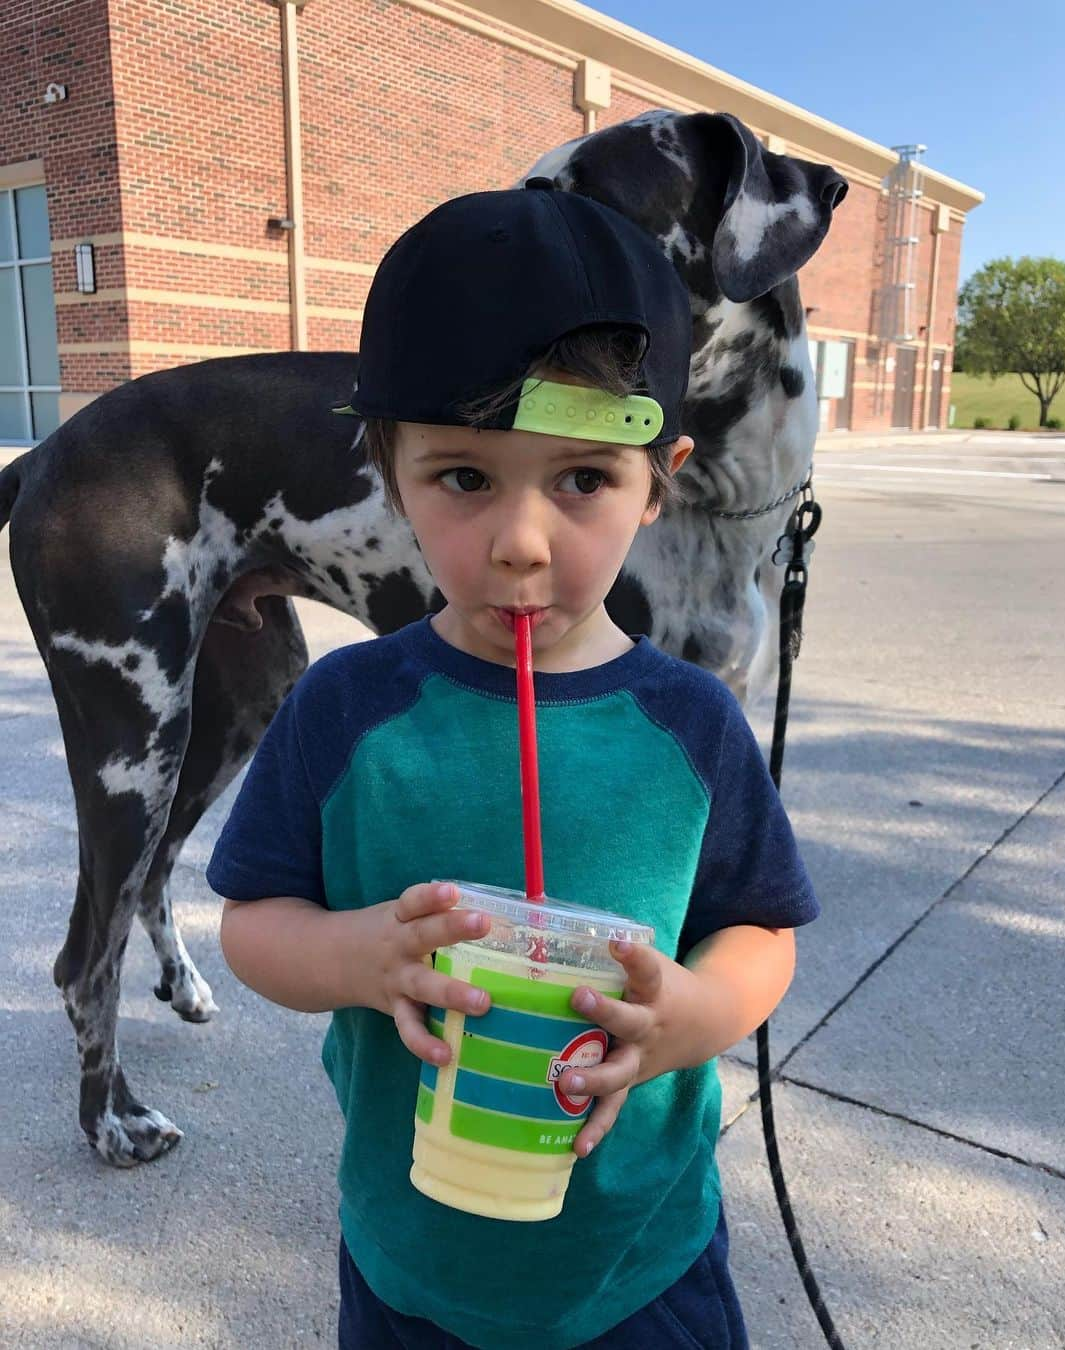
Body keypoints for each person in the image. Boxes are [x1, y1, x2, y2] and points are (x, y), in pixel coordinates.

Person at [207, 178, 819, 1350]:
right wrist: (359, 954)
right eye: (465, 478)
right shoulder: (348, 712)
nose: (523, 541)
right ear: (392, 476)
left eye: (584, 478)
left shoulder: (689, 726)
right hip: (412, 1267)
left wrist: (691, 1016)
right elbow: (254, 922)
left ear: (661, 479)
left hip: (643, 1268)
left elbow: (761, 931)